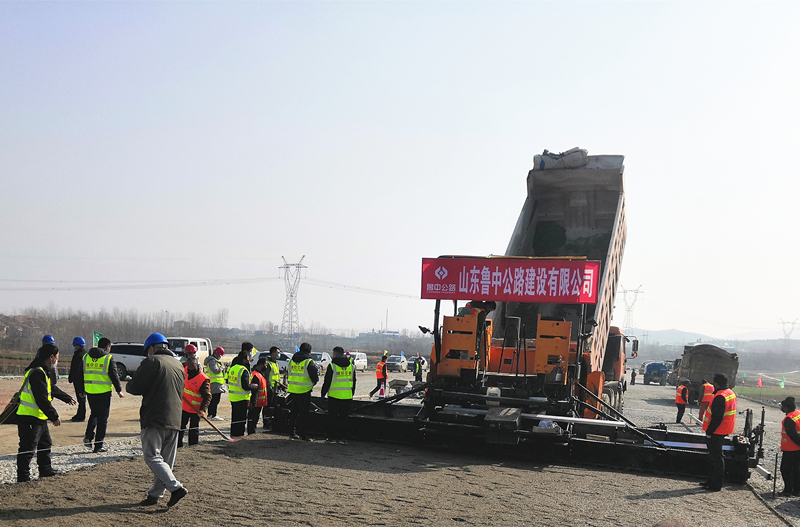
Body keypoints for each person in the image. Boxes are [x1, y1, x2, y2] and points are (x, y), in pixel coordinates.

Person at [126, 332, 188, 507]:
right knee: (165, 461)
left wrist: (131, 383)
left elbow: (134, 387)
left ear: (152, 348)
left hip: (155, 417)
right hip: (176, 418)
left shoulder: (153, 362)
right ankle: (154, 495)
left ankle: (175, 488)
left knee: (152, 456)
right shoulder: (177, 365)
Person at [16, 343, 76, 482]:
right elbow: (41, 398)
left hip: (39, 417)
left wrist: (66, 398)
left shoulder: (42, 371)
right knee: (27, 448)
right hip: (29, 417)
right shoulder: (37, 372)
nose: (57, 360)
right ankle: (23, 476)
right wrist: (54, 415)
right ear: (51, 357)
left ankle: (45, 470)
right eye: (57, 357)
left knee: (45, 443)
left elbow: (51, 389)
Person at [80, 337, 124, 453]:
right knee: (103, 418)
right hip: (104, 392)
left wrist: (81, 390)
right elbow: (114, 375)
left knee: (94, 413)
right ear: (108, 347)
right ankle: (98, 445)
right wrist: (119, 390)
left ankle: (88, 436)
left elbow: (79, 374)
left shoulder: (86, 357)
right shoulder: (108, 358)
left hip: (90, 391)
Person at [700, 373, 737, 492]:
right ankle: (711, 481)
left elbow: (717, 417)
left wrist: (709, 432)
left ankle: (715, 484)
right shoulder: (730, 393)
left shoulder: (720, 396)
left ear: (716, 384)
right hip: (723, 429)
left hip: (717, 431)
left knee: (716, 459)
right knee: (715, 458)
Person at [321, 346, 355, 444]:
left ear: (335, 354)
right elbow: (354, 382)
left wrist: (323, 393)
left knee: (333, 418)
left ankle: (331, 437)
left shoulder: (332, 366)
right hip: (347, 396)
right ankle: (343, 438)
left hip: (334, 396)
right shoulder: (351, 366)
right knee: (344, 419)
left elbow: (327, 381)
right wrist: (351, 393)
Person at [287, 342, 319, 441]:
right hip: (305, 391)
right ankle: (302, 435)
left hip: (293, 390)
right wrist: (312, 383)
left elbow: (289, 373)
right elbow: (315, 377)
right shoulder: (309, 362)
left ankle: (291, 433)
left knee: (293, 413)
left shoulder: (291, 361)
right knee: (303, 415)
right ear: (309, 351)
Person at [178, 357, 211, 448]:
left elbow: (208, 396)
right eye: (188, 367)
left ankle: (193, 447)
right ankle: (178, 446)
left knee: (193, 429)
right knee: (180, 427)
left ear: (197, 366)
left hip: (195, 409)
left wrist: (203, 410)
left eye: (192, 368)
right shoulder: (185, 370)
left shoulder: (203, 379)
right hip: (184, 406)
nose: (189, 370)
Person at [227, 349, 257, 439]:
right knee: (241, 419)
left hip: (233, 397)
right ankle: (239, 435)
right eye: (248, 357)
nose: (249, 359)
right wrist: (254, 386)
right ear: (244, 359)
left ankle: (233, 434)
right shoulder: (243, 370)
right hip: (242, 398)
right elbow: (245, 386)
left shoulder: (233, 368)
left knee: (234, 418)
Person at [780, 397, 800, 497]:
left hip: (791, 449)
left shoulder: (789, 419)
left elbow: (793, 435)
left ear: (786, 408)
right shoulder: (798, 414)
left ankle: (788, 490)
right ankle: (797, 490)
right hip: (797, 449)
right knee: (797, 470)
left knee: (786, 469)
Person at [67, 336, 88, 422]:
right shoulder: (86, 354)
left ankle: (81, 416)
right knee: (82, 398)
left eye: (75, 345)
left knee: (81, 398)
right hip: (84, 379)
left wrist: (71, 378)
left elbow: (74, 368)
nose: (74, 347)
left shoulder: (78, 355)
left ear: (78, 345)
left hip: (78, 380)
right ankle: (80, 414)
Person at [247, 358, 269, 435]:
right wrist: (253, 403)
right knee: (252, 419)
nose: (266, 367)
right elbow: (254, 391)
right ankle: (251, 433)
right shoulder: (256, 375)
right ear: (261, 365)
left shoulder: (259, 374)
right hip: (255, 403)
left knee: (255, 419)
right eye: (265, 365)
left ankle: (252, 432)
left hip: (259, 402)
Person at [204, 346, 227, 421]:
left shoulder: (212, 360)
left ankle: (211, 414)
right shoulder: (212, 361)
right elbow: (216, 370)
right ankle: (212, 414)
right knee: (215, 400)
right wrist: (222, 367)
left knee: (214, 399)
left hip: (215, 383)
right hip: (215, 383)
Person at [263, 346, 281, 432]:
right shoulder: (268, 363)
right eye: (277, 352)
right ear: (273, 353)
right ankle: (266, 422)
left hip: (276, 388)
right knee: (267, 406)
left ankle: (271, 422)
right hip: (270, 388)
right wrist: (268, 386)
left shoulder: (275, 363)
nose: (278, 354)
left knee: (273, 406)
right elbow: (266, 377)